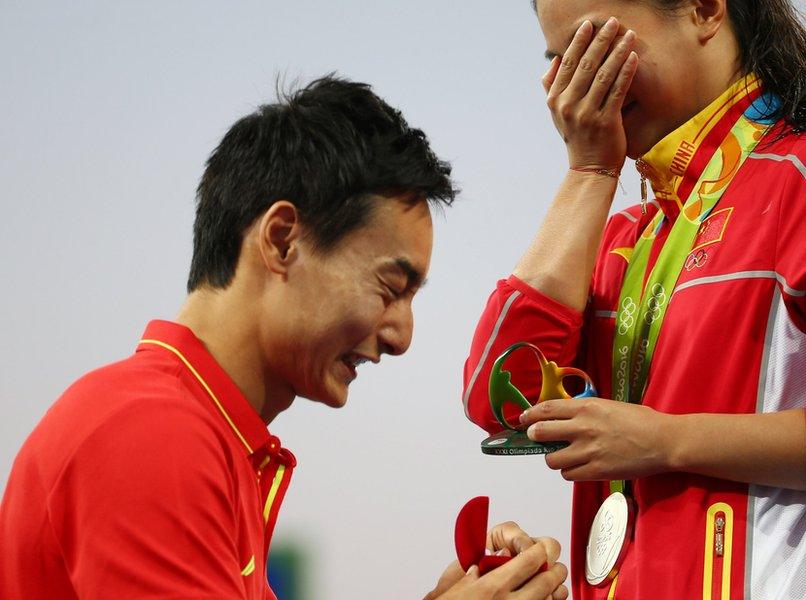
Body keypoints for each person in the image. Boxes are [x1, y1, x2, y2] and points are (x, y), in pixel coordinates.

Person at [462, 1, 806, 599]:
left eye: (594, 44)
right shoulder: (622, 236)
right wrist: (590, 173)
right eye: (560, 59)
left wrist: (665, 442)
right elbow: (498, 395)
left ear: (703, 9)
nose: (578, 83)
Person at [0, 75, 569, 600]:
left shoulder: (206, 438)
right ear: (280, 240)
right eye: (390, 286)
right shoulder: (152, 434)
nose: (402, 336)